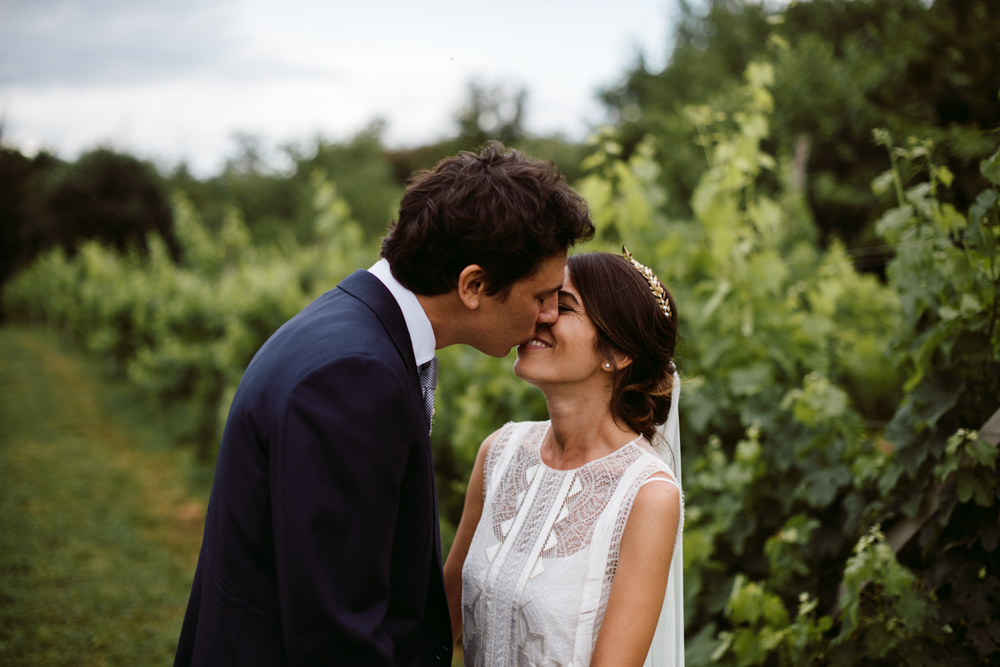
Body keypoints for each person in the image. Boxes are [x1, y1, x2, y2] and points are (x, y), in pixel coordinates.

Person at [174, 142, 595, 667]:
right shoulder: (354, 378)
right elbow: (337, 630)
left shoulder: (355, 330)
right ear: (474, 285)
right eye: (542, 295)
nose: (550, 314)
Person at [444, 249, 684, 667]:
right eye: (543, 299)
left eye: (564, 305)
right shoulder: (498, 453)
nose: (540, 315)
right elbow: (439, 622)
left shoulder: (647, 495)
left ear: (617, 352)